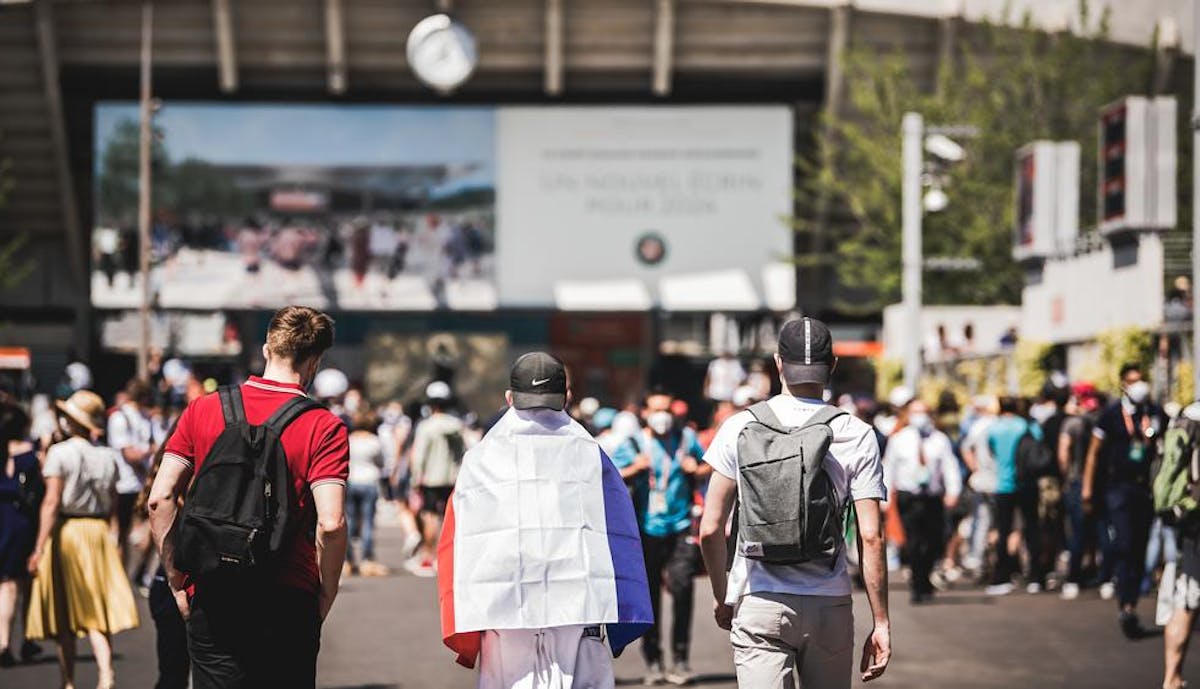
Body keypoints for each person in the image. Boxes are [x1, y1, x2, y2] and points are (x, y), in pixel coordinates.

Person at [147, 305, 350, 689]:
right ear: (316, 361)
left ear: (266, 349)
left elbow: (160, 498)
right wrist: (325, 592)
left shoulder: (203, 409)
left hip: (212, 587)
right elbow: (331, 522)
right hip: (288, 593)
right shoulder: (324, 426)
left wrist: (177, 578)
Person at [437, 352, 653, 689]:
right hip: (579, 602)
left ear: (509, 398)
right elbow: (619, 532)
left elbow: (461, 538)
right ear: (566, 397)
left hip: (503, 607)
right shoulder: (590, 452)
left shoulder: (480, 457)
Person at [699, 317, 891, 689]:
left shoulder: (739, 427)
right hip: (829, 603)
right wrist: (880, 621)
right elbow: (871, 537)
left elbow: (710, 529)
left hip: (760, 599)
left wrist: (723, 597)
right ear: (832, 366)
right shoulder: (856, 433)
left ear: (777, 363)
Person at [26, 390, 140, 689]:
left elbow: (51, 503)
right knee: (96, 609)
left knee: (65, 612)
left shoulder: (59, 453)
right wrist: (115, 538)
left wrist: (38, 546)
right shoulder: (107, 455)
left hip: (69, 531)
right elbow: (114, 505)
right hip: (98, 531)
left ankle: (69, 681)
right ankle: (106, 674)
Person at [611, 389, 709, 685]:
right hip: (646, 529)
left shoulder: (686, 439)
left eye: (666, 409)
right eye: (656, 410)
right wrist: (634, 469)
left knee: (682, 590)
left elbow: (710, 466)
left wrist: (698, 469)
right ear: (644, 413)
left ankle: (680, 659)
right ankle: (653, 660)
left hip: (679, 527)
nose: (662, 416)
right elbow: (611, 476)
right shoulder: (632, 443)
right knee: (649, 597)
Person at [1083, 362, 1165, 638]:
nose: (1139, 385)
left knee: (1141, 547)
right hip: (1118, 487)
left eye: (1141, 379)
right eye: (1133, 380)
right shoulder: (1110, 416)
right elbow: (1094, 453)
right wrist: (1087, 488)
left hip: (1145, 489)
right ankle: (1124, 600)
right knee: (1125, 542)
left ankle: (1130, 603)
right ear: (1123, 384)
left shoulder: (1153, 412)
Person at [883, 399, 961, 603]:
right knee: (914, 540)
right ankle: (918, 585)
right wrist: (884, 496)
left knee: (933, 541)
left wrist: (953, 491)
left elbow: (949, 466)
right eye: (916, 412)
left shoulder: (939, 440)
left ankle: (925, 576)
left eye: (924, 412)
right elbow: (888, 467)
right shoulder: (899, 439)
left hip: (932, 497)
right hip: (908, 496)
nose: (920, 416)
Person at [984, 396, 1041, 596]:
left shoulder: (994, 428)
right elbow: (1038, 448)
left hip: (1003, 485)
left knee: (1003, 530)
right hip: (1026, 484)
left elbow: (991, 450)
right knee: (1032, 529)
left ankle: (1001, 576)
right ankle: (1036, 576)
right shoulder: (1026, 426)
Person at [408, 380, 466, 577]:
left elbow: (419, 456)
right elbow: (463, 452)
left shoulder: (426, 426)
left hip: (431, 478)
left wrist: (416, 478)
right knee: (450, 518)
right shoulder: (456, 425)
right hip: (452, 477)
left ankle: (428, 557)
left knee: (430, 516)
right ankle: (447, 558)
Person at [0, 401, 42, 667]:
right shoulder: (30, 454)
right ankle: (13, 640)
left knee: (7, 581)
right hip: (21, 521)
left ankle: (13, 639)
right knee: (19, 581)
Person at [107, 378, 157, 578]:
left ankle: (137, 572)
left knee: (152, 529)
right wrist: (149, 451)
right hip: (124, 483)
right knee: (121, 533)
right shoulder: (120, 418)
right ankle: (122, 576)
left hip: (143, 484)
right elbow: (129, 453)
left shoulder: (146, 418)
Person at [346, 410, 387, 577]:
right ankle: (366, 559)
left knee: (349, 521)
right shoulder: (374, 441)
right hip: (369, 481)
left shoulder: (348, 439)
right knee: (368, 521)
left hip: (351, 479)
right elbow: (381, 461)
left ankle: (347, 560)